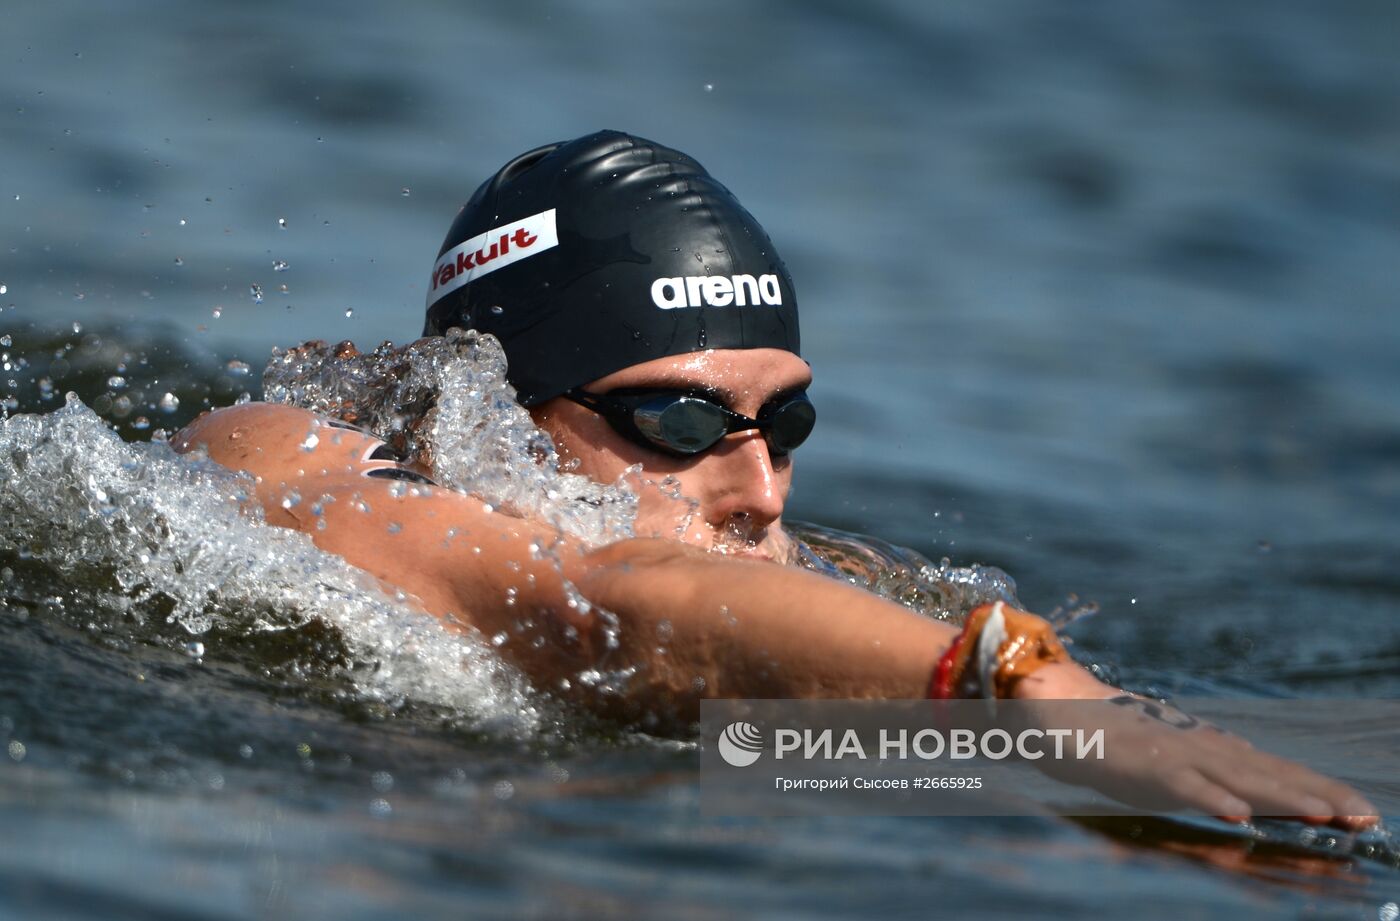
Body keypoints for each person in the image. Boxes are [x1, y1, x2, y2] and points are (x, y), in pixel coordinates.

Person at [174, 130, 1376, 828]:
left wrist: (1061, 768)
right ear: (493, 402)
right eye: (678, 420)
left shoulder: (754, 562)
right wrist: (1031, 698)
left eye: (784, 418)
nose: (761, 489)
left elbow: (744, 722)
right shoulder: (289, 468)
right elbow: (612, 601)